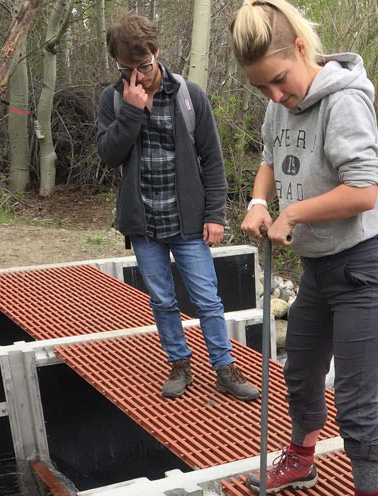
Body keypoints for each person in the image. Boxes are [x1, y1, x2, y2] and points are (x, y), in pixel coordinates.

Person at [230, 0, 378, 496]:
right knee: (299, 371)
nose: (275, 97)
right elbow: (269, 158)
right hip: (318, 270)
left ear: (300, 50)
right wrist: (261, 202)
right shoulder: (279, 105)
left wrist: (294, 213)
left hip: (364, 271)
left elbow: (363, 191)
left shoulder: (346, 100)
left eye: (279, 81)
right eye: (263, 90)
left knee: (355, 400)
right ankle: (302, 460)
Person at [97, 13, 259, 401]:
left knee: (207, 298)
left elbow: (212, 159)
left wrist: (215, 215)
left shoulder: (190, 95)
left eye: (145, 66)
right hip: (143, 222)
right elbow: (108, 154)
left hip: (186, 220)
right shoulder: (114, 98)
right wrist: (132, 111)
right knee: (162, 299)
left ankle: (224, 369)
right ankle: (179, 364)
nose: (138, 76)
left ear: (157, 52)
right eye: (127, 69)